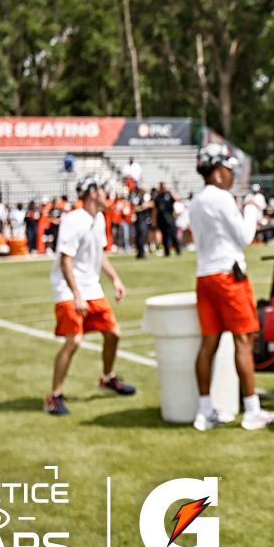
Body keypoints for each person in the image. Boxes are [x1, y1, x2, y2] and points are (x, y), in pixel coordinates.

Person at [187, 143, 274, 432]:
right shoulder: (220, 197)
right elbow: (244, 236)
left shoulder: (196, 200)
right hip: (228, 275)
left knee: (209, 344)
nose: (230, 175)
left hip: (205, 277)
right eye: (227, 169)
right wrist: (252, 209)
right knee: (244, 340)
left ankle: (205, 411)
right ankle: (252, 409)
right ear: (217, 172)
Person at [45, 176, 135, 415]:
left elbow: (100, 253)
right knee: (74, 341)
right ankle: (54, 396)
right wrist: (76, 295)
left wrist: (115, 279)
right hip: (69, 289)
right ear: (93, 193)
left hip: (91, 288)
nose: (107, 195)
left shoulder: (99, 218)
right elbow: (66, 261)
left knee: (114, 334)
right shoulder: (74, 220)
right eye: (104, 190)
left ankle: (107, 378)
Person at [155, 181, 180, 256]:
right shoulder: (158, 196)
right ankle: (167, 252)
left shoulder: (169, 194)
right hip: (161, 218)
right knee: (164, 236)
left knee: (173, 234)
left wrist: (170, 191)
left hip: (170, 217)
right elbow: (155, 208)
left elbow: (177, 199)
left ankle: (178, 250)